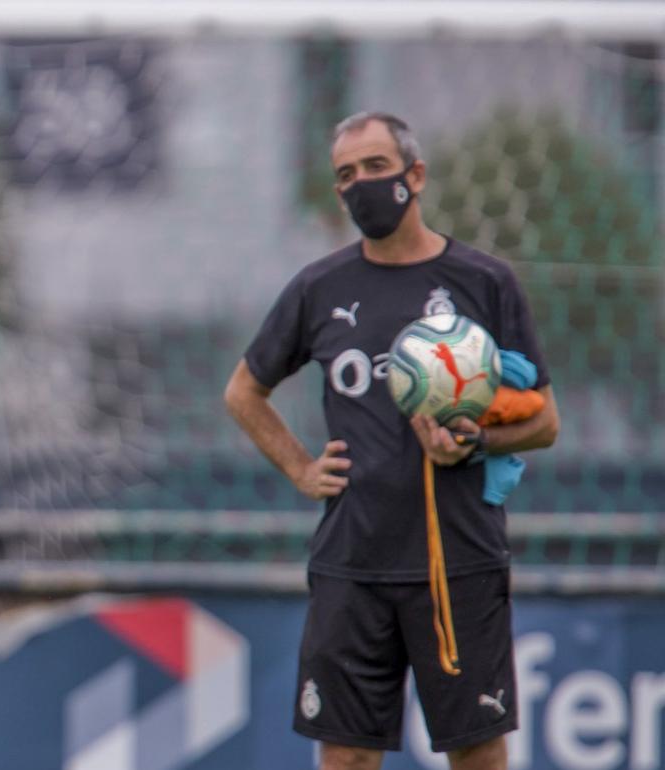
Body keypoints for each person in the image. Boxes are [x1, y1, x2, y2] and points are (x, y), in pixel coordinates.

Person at [223, 112, 559, 770]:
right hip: (353, 560)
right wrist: (299, 468)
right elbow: (243, 391)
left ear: (415, 174)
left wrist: (473, 446)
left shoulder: (485, 282)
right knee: (346, 758)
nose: (361, 185)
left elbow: (545, 422)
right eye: (345, 176)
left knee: (478, 755)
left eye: (376, 167)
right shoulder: (320, 288)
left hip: (457, 559)